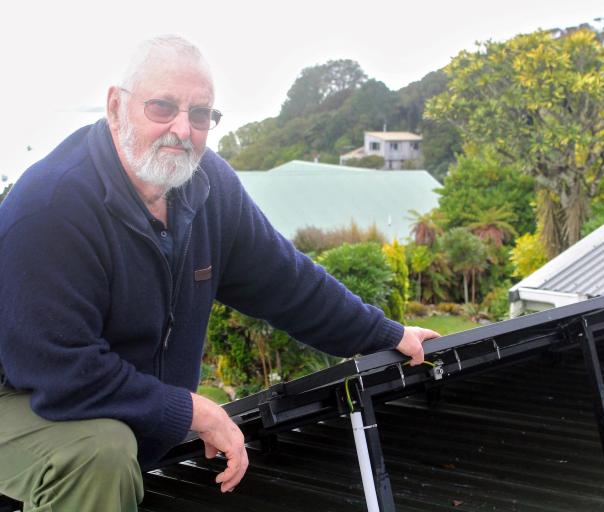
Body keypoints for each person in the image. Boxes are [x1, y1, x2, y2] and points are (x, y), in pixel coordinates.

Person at [0, 35, 439, 511]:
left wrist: (384, 333)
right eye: (162, 107)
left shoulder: (207, 185)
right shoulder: (50, 207)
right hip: (21, 389)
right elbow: (60, 370)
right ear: (115, 106)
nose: (182, 130)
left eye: (201, 114)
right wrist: (192, 410)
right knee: (97, 455)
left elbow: (285, 281)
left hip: (95, 394)